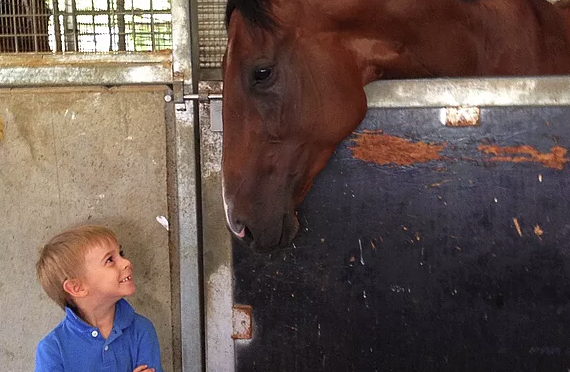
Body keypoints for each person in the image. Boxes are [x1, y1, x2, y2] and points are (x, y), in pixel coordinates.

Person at [35, 225, 163, 372]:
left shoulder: (141, 329)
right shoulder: (52, 349)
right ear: (77, 288)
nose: (126, 262)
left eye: (121, 253)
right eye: (110, 260)